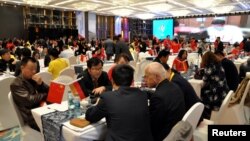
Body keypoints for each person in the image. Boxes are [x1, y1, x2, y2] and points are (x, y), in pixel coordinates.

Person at [86, 64, 153, 141]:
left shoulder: (107, 97)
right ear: (132, 81)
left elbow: (90, 116)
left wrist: (97, 104)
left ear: (112, 80)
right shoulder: (142, 95)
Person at [144, 62, 185, 141]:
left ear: (156, 77)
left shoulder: (158, 97)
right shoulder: (174, 86)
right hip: (177, 131)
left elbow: (152, 125)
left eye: (146, 76)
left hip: (165, 136)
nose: (145, 79)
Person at [10, 57, 49, 131]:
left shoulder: (33, 79)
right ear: (22, 68)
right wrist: (44, 95)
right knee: (55, 125)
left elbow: (50, 91)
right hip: (32, 116)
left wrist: (41, 84)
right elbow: (29, 100)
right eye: (31, 69)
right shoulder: (16, 84)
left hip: (42, 109)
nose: (34, 71)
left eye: (35, 69)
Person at [200, 51, 229, 119]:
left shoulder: (210, 66)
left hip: (217, 93)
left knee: (202, 93)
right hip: (224, 90)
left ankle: (206, 114)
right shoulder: (219, 64)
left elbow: (205, 79)